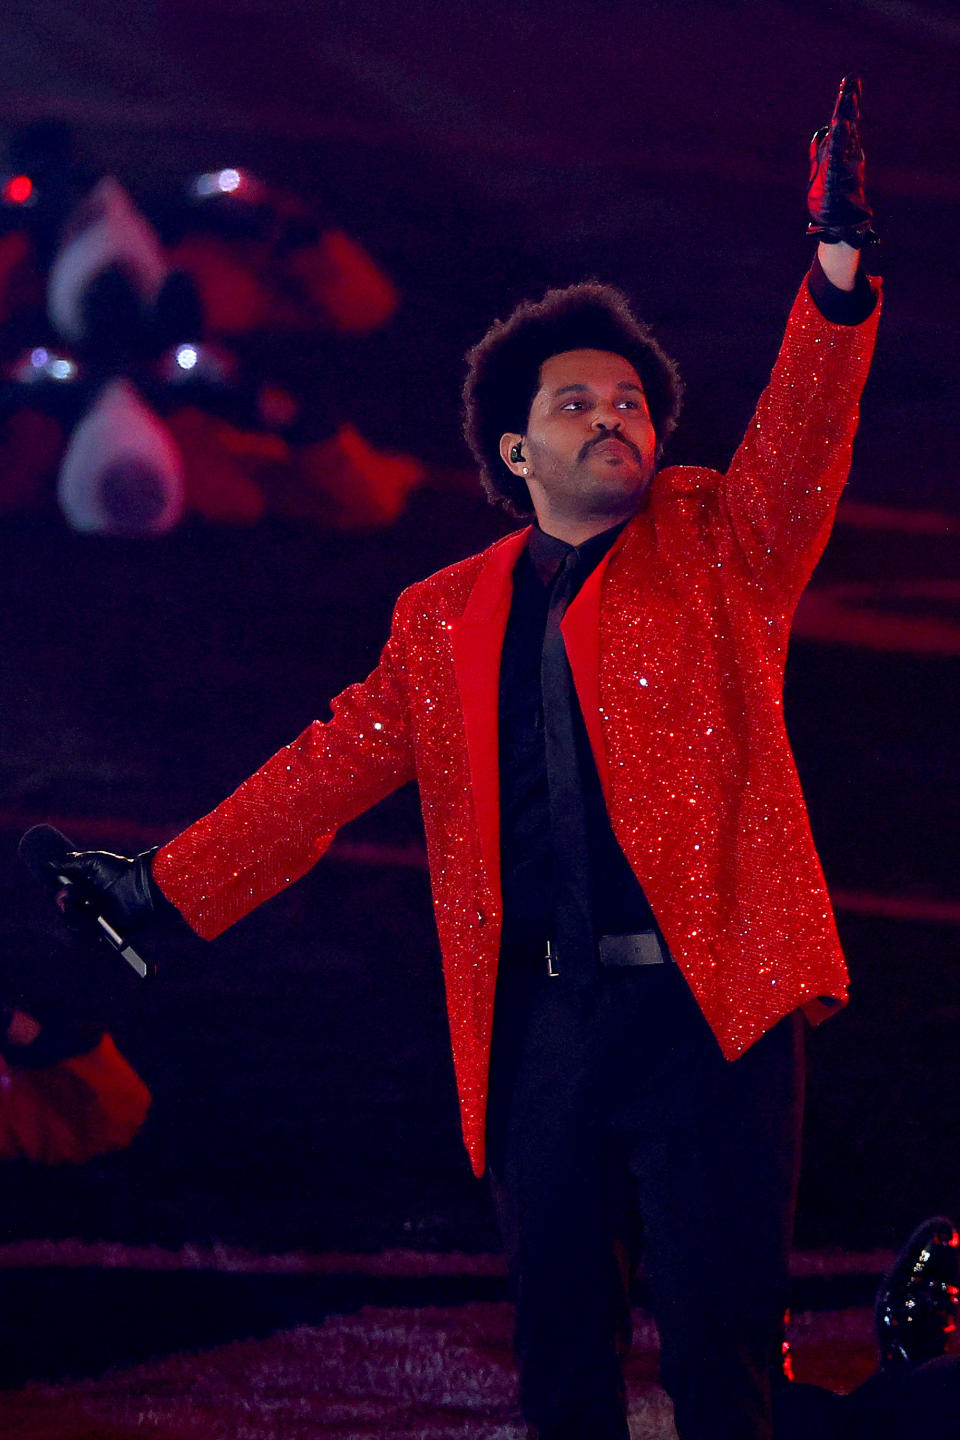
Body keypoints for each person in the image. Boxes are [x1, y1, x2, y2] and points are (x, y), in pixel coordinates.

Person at [54, 78, 881, 1440]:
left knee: (726, 1359)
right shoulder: (440, 619)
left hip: (712, 1016)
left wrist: (835, 275)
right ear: (515, 449)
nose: (615, 418)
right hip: (539, 1029)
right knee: (561, 1362)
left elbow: (800, 438)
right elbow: (322, 773)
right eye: (577, 405)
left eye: (631, 402)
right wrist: (159, 888)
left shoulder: (724, 547)